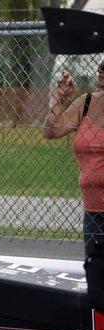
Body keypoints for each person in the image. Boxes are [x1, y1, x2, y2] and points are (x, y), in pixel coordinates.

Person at [43, 62, 104, 257]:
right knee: (97, 277)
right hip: (94, 211)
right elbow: (51, 131)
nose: (101, 69)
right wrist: (59, 98)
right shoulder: (86, 103)